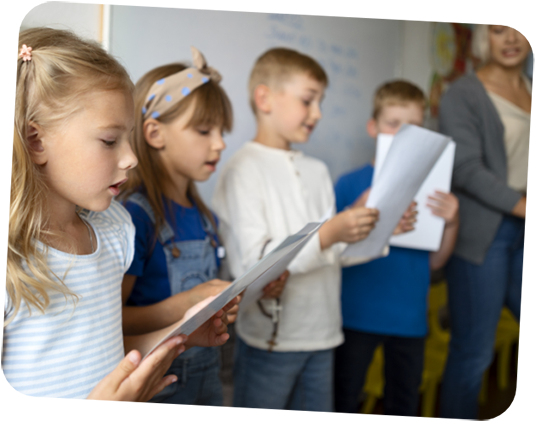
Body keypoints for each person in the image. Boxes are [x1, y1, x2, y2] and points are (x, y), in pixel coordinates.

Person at [2, 28, 235, 422]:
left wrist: (179, 334)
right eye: (110, 141)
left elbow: (112, 356)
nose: (131, 158)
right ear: (36, 141)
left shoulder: (114, 231)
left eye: (128, 139)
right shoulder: (9, 260)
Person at [213, 48, 414, 421]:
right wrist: (328, 234)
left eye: (321, 101)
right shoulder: (243, 169)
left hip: (324, 334)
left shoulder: (319, 170)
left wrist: (377, 228)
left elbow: (334, 252)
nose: (318, 113)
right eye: (308, 100)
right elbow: (252, 266)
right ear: (265, 98)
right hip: (271, 342)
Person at [118, 47, 257, 421]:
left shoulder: (206, 216)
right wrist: (187, 304)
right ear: (154, 133)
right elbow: (115, 317)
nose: (220, 143)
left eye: (221, 132)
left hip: (208, 376)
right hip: (161, 383)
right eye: (203, 131)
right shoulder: (136, 216)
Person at [333, 80, 459, 421]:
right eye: (393, 124)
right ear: (373, 128)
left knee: (403, 406)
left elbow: (437, 262)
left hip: (409, 319)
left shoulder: (433, 191)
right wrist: (357, 213)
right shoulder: (348, 184)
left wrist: (451, 224)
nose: (403, 135)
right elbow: (330, 252)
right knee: (343, 399)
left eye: (414, 128)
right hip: (355, 315)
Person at [438, 19, 535, 421]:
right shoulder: (463, 94)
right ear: (483, 37)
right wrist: (525, 206)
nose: (510, 38)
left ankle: (459, 309)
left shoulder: (531, 90)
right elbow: (465, 169)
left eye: (519, 28)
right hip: (484, 234)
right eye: (498, 29)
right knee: (474, 352)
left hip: (529, 231)